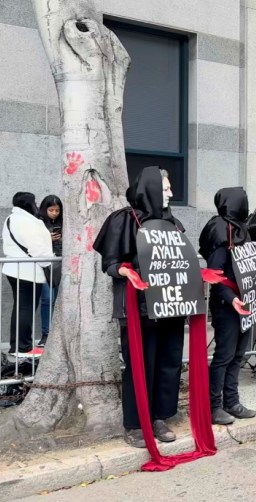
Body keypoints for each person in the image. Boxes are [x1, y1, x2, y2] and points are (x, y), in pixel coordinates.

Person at [93, 167, 186, 448]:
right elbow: (109, 263)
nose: (171, 193)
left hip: (171, 304)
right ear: (151, 188)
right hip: (139, 307)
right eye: (166, 188)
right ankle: (134, 423)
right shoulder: (124, 220)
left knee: (169, 363)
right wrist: (125, 271)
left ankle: (160, 416)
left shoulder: (174, 223)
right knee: (139, 365)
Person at [198, 187, 256, 425]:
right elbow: (215, 274)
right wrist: (231, 298)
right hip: (227, 304)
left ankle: (232, 401)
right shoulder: (221, 231)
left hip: (245, 301)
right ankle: (214, 406)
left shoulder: (241, 230)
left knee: (237, 355)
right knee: (224, 355)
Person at [2, 192, 55, 358]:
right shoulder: (26, 221)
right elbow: (37, 248)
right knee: (25, 308)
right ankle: (22, 347)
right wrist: (50, 265)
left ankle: (19, 345)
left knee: (21, 308)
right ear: (29, 204)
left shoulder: (13, 218)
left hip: (17, 269)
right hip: (27, 272)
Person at [37, 195, 62, 348]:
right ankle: (46, 333)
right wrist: (48, 239)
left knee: (59, 300)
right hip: (45, 264)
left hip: (62, 262)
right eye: (51, 210)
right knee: (47, 299)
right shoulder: (38, 223)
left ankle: (57, 334)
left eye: (57, 210)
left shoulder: (65, 223)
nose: (54, 213)